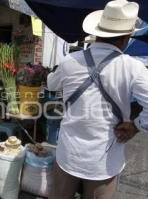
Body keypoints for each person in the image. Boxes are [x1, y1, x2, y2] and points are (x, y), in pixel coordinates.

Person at [47, 1, 148, 199]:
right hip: (104, 162)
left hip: (69, 155)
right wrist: (136, 126)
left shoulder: (69, 62)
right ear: (127, 38)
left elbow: (51, 84)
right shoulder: (133, 68)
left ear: (97, 32)